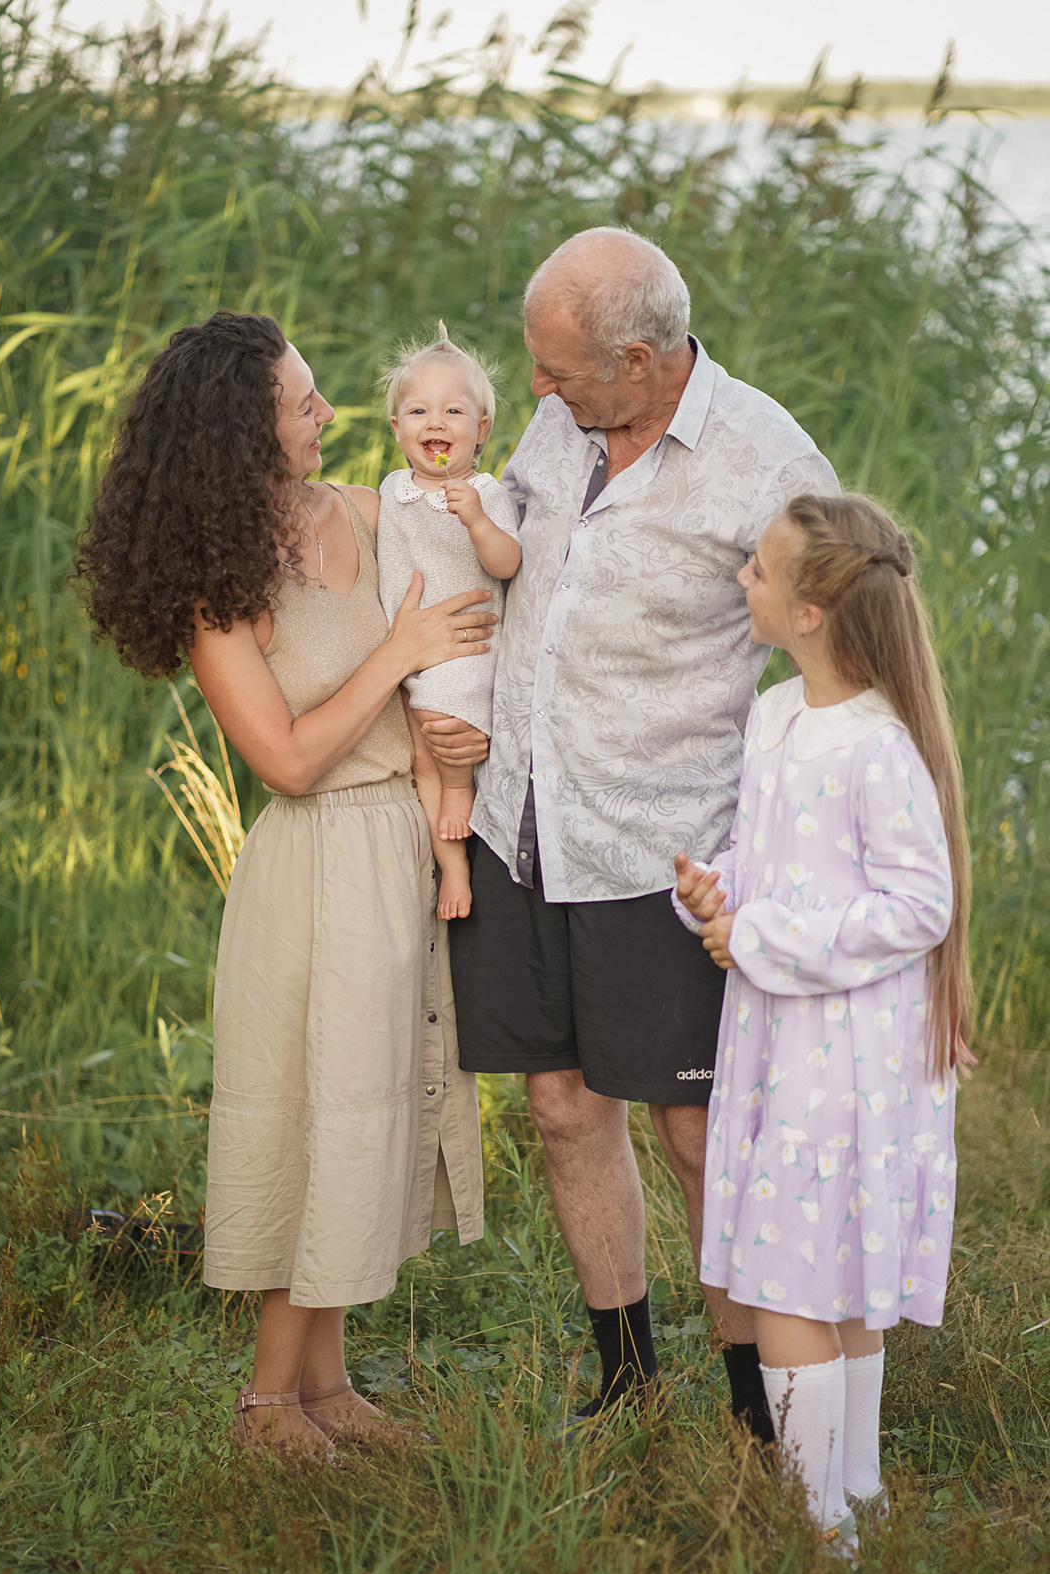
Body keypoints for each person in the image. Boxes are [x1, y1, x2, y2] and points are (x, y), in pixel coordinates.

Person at [426, 227, 839, 1437]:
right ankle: (624, 1378)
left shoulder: (767, 461)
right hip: (519, 823)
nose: (535, 390)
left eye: (558, 371)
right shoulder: (566, 421)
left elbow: (845, 646)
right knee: (561, 1105)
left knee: (696, 1129)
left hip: (665, 851)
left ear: (643, 361)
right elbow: (509, 563)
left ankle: (759, 1408)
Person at [73, 310, 497, 1461]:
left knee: (369, 1113)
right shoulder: (219, 587)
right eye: (303, 403)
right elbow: (289, 761)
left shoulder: (369, 511)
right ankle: (267, 1407)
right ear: (241, 432)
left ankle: (329, 1387)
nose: (328, 414)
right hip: (314, 865)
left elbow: (473, 603)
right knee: (316, 1122)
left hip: (399, 849)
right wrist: (397, 655)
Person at [673, 492, 971, 1550]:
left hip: (845, 1055)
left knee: (787, 1278)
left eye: (759, 570)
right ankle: (856, 1499)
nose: (742, 579)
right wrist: (717, 895)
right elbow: (771, 860)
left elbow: (919, 906)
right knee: (823, 1265)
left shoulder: (878, 746)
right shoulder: (775, 716)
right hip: (778, 1039)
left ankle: (816, 1531)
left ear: (810, 612)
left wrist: (761, 936)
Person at [377, 323, 522, 919]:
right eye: (418, 411)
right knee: (420, 763)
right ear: (396, 428)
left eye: (453, 411)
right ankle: (452, 866)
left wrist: (478, 522)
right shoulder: (393, 489)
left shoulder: (486, 492)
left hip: (466, 647)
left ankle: (462, 793)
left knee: (443, 727)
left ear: (481, 430)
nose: (434, 423)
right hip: (408, 648)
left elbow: (508, 562)